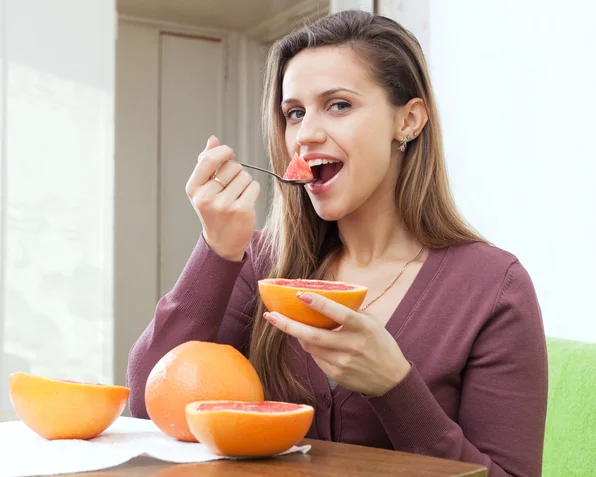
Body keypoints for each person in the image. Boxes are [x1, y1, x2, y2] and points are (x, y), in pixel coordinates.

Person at [126, 10, 548, 477]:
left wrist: (394, 386)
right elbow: (149, 404)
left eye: (339, 105)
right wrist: (217, 249)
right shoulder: (262, 262)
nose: (305, 135)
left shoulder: (495, 287)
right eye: (294, 113)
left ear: (408, 121)